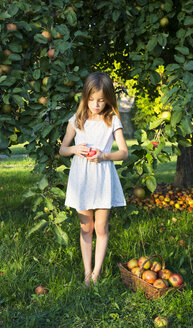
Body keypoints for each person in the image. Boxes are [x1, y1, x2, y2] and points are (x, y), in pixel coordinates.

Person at [59, 71, 128, 286]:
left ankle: (97, 273)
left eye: (100, 100)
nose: (95, 104)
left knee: (101, 227)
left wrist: (104, 155)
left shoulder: (112, 120)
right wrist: (74, 149)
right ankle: (87, 272)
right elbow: (62, 149)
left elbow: (124, 153)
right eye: (91, 99)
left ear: (108, 98)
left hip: (103, 177)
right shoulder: (77, 120)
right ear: (85, 97)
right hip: (82, 179)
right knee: (85, 227)